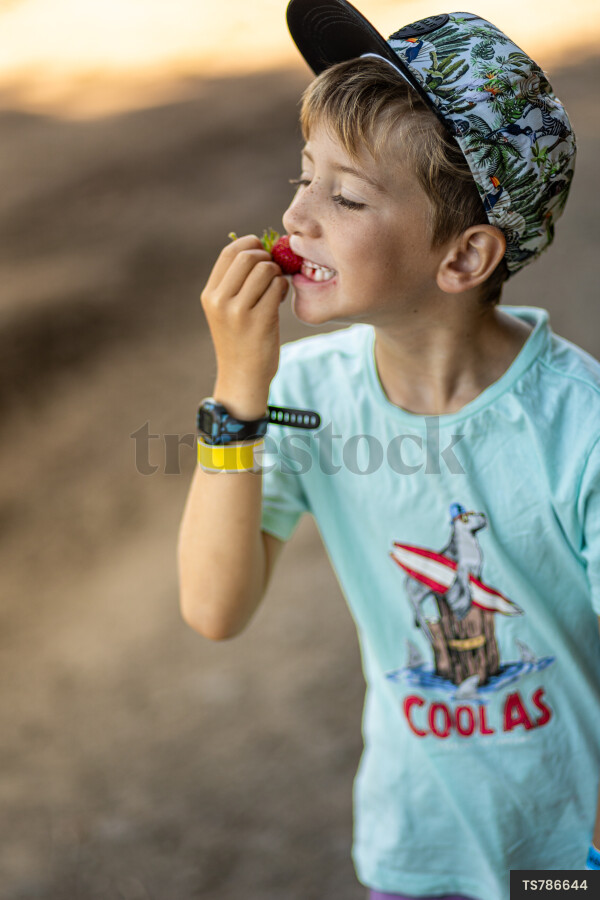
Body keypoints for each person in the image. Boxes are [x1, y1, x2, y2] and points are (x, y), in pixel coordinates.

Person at [177, 2, 600, 898]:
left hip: (569, 864)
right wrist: (239, 392)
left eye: (346, 196)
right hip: (414, 858)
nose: (296, 215)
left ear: (465, 258)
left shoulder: (582, 428)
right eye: (304, 176)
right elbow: (215, 607)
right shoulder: (302, 392)